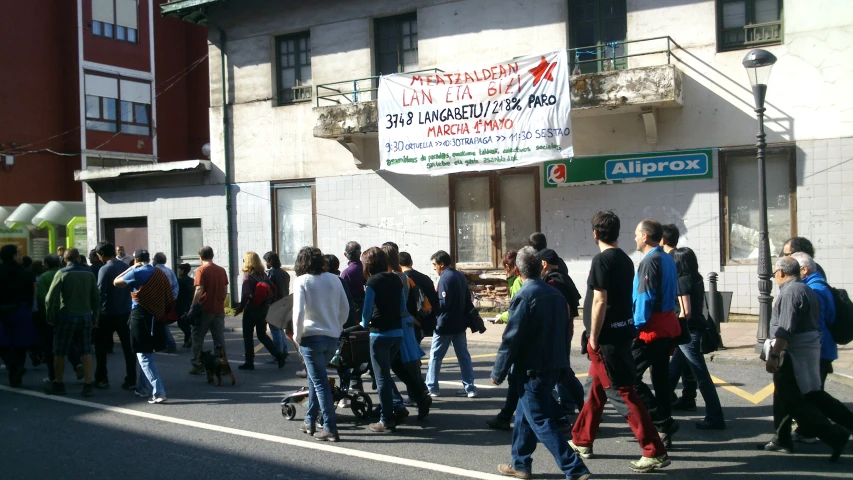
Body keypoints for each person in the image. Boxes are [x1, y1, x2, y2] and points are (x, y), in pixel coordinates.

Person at [570, 211, 670, 473]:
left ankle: (654, 450)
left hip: (607, 340)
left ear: (595, 234)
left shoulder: (602, 260)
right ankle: (582, 440)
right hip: (623, 332)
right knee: (595, 390)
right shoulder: (625, 259)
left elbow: (600, 300)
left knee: (623, 393)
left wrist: (593, 337)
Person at [490, 247, 591, 480]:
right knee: (525, 417)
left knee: (540, 420)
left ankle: (574, 468)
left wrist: (498, 371)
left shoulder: (525, 295)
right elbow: (565, 332)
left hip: (532, 369)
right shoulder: (555, 294)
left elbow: (511, 338)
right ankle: (520, 464)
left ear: (517, 270)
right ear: (540, 267)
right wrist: (563, 364)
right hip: (552, 365)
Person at [759, 256, 849, 460]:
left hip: (793, 353)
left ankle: (835, 435)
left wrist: (774, 355)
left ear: (781, 273)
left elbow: (785, 330)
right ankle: (782, 439)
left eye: (774, 274)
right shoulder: (805, 288)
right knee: (810, 395)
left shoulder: (791, 292)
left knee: (792, 401)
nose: (775, 277)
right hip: (806, 350)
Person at [783, 253, 853, 442]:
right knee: (813, 394)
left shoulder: (813, 289)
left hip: (816, 351)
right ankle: (806, 430)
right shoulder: (820, 286)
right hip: (823, 349)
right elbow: (829, 318)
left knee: (811, 395)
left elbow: (814, 324)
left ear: (804, 270)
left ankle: (835, 430)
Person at [631, 219, 682, 446]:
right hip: (666, 326)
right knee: (660, 379)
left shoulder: (650, 262)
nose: (634, 238)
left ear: (645, 236)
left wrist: (635, 327)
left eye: (636, 234)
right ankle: (664, 428)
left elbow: (645, 298)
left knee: (628, 376)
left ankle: (661, 421)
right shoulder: (667, 259)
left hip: (650, 329)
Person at [292, 247, 349, 442]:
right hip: (331, 336)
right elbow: (345, 309)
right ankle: (309, 420)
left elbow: (298, 313)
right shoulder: (334, 279)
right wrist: (337, 327)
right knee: (317, 379)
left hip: (310, 337)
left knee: (319, 381)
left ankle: (329, 427)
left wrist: (297, 337)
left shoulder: (302, 281)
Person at [667, 247, 725, 429]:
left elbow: (686, 312)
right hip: (692, 331)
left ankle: (715, 417)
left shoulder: (682, 280)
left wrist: (672, 325)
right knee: (672, 373)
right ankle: (658, 409)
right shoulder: (696, 278)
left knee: (702, 377)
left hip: (687, 333)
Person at [382, 243, 430, 423]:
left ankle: (398, 403)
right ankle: (420, 395)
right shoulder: (403, 276)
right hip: (406, 321)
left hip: (395, 323)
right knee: (407, 363)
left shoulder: (389, 278)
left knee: (389, 365)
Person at [114, 249, 171, 403]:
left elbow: (116, 282)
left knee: (144, 356)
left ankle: (159, 392)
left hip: (140, 316)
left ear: (136, 259)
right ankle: (143, 388)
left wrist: (131, 268)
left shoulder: (136, 272)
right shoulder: (159, 272)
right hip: (156, 316)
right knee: (147, 353)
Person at [360, 246, 406, 432]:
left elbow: (366, 312)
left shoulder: (372, 282)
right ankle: (396, 406)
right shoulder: (396, 278)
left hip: (379, 334)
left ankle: (386, 419)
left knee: (381, 378)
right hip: (397, 333)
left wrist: (364, 323)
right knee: (386, 375)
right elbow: (403, 308)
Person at [43, 249, 100, 397]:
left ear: (65, 260)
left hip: (66, 316)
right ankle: (88, 385)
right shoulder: (89, 274)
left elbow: (50, 298)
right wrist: (95, 318)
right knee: (86, 351)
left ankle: (58, 383)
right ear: (79, 259)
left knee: (60, 351)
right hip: (86, 316)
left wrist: (50, 316)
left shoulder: (62, 273)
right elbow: (96, 298)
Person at [426, 250, 477, 398]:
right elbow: (468, 298)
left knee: (435, 356)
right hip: (460, 323)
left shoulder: (445, 278)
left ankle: (432, 387)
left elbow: (443, 303)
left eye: (435, 265)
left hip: (445, 324)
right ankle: (470, 388)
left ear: (442, 264)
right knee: (463, 356)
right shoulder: (460, 276)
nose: (434, 268)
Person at [539, 248, 585, 416]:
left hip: (557, 332)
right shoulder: (564, 278)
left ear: (544, 263)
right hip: (565, 328)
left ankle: (576, 407)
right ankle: (573, 406)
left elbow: (559, 308)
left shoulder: (552, 282)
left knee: (561, 371)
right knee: (562, 371)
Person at [486, 249, 524, 430]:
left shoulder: (517, 282)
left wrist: (502, 316)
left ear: (511, 267)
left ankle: (560, 419)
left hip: (520, 338)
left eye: (505, 267)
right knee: (517, 381)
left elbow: (517, 311)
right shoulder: (521, 281)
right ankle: (505, 416)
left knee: (518, 380)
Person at [235, 251, 287, 370]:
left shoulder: (248, 276)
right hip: (263, 308)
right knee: (262, 334)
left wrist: (240, 308)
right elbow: (272, 288)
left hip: (251, 309)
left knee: (248, 336)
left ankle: (249, 362)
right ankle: (278, 355)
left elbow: (245, 295)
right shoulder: (263, 274)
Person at [94, 241, 136, 390]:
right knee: (128, 348)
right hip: (125, 311)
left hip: (107, 313)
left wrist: (96, 314)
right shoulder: (125, 267)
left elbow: (100, 293)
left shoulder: (104, 269)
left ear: (102, 254)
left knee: (101, 348)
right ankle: (131, 379)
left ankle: (101, 378)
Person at [0, 244, 39, 387]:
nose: (20, 256)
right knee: (20, 344)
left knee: (3, 344)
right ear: (13, 256)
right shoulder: (26, 273)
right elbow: (31, 293)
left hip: (2, 311)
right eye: (18, 253)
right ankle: (18, 370)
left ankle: (13, 367)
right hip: (21, 309)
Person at [189, 246, 228, 374]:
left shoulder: (201, 270)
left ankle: (197, 363)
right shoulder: (221, 270)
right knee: (219, 339)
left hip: (205, 309)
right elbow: (225, 290)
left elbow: (199, 289)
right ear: (212, 256)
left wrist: (192, 307)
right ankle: (222, 364)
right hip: (218, 308)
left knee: (197, 338)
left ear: (200, 257)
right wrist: (220, 301)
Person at [399, 251, 439, 337]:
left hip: (410, 320)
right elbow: (434, 299)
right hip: (426, 319)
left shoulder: (402, 280)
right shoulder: (425, 278)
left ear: (398, 265)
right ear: (411, 262)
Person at [263, 251, 291, 359]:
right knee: (280, 328)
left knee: (275, 329)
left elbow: (268, 289)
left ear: (268, 262)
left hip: (274, 303)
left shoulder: (271, 273)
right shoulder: (284, 273)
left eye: (265, 260)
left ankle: (278, 353)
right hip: (285, 302)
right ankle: (284, 350)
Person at [152, 252, 179, 353]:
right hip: (168, 301)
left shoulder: (154, 271)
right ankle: (164, 344)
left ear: (155, 260)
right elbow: (176, 286)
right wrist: (173, 298)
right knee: (163, 323)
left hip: (157, 302)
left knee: (160, 324)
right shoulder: (170, 271)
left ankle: (169, 344)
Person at [175, 263, 194, 348]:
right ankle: (188, 339)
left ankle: (188, 339)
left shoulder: (178, 280)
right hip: (190, 303)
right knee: (189, 322)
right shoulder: (192, 280)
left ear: (182, 270)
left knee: (181, 323)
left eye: (179, 269)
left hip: (181, 304)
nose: (178, 271)